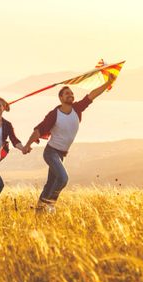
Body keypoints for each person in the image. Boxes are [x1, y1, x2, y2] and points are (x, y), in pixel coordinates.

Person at [23, 74, 116, 213]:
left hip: (61, 154)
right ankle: (50, 205)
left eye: (71, 93)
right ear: (61, 98)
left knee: (50, 184)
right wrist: (27, 145)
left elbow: (92, 95)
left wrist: (108, 83)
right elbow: (39, 130)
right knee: (63, 178)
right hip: (51, 152)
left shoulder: (77, 108)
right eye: (67, 94)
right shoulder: (54, 114)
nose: (70, 95)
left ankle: (39, 211)